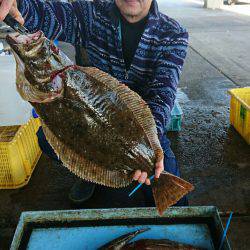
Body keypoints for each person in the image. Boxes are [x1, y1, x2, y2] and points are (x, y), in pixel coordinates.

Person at [0, 0, 189, 206]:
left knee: (175, 204)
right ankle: (89, 174)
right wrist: (18, 6)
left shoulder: (173, 33)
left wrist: (152, 145)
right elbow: (50, 15)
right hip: (89, 115)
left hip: (142, 129)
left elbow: (163, 93)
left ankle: (108, 170)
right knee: (46, 140)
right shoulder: (92, 15)